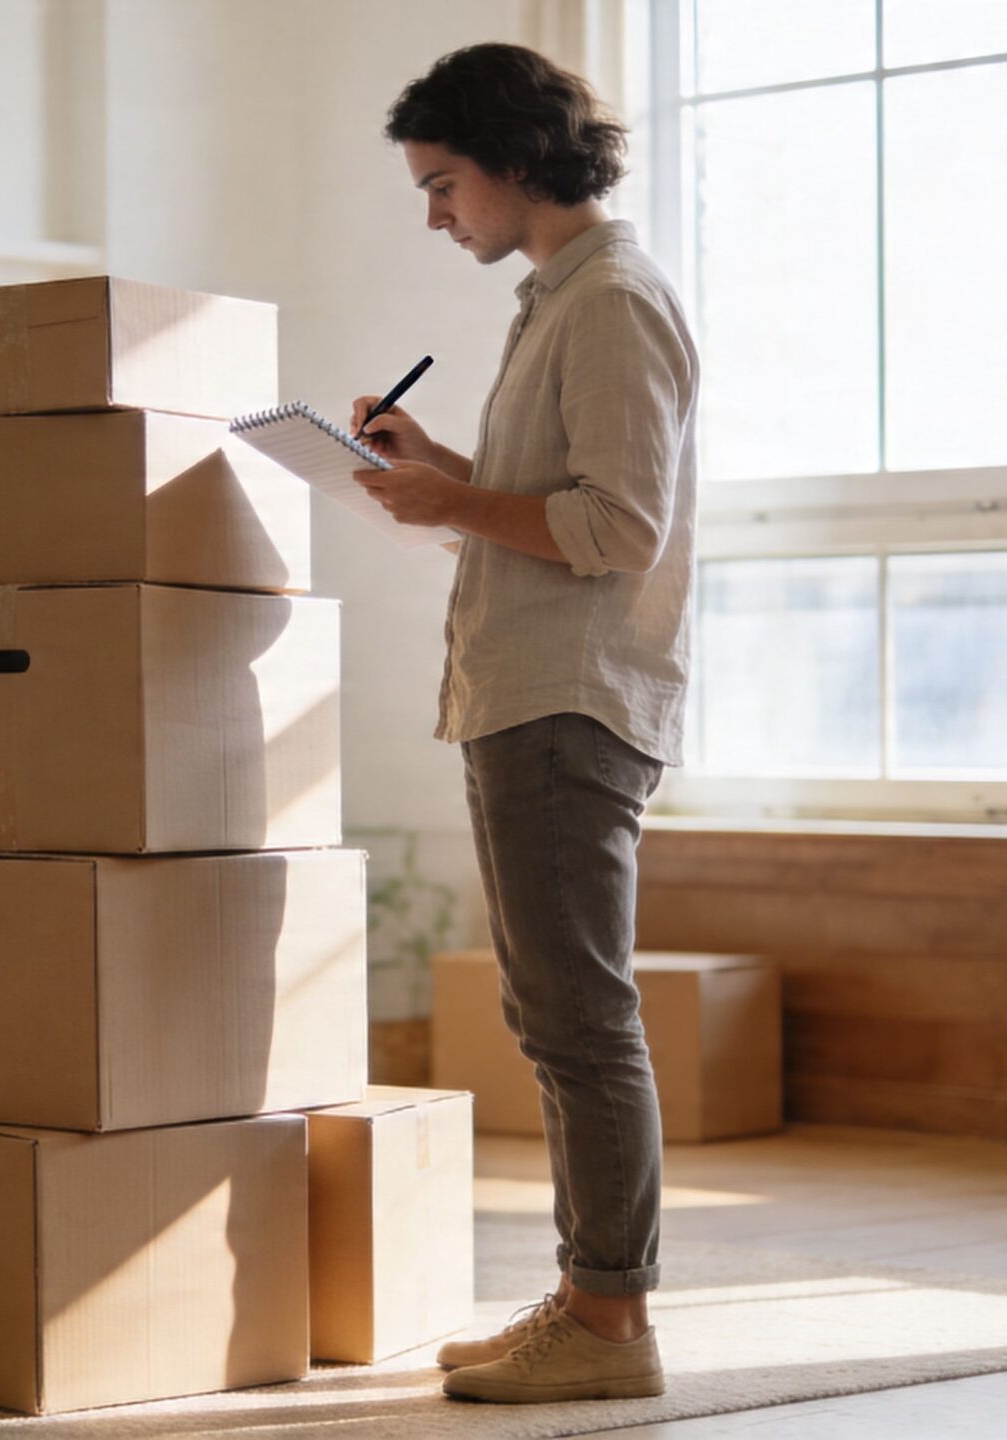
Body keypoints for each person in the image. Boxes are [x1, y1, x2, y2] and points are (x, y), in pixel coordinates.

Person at [350, 41, 698, 1406]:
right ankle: (588, 1295)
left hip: (568, 701)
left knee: (578, 1018)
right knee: (555, 1013)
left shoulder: (611, 300)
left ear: (513, 159)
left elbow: (616, 529)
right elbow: (548, 516)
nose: (436, 215)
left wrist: (453, 503)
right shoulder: (561, 298)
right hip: (526, 693)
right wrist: (443, 474)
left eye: (444, 185)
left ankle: (611, 1326)